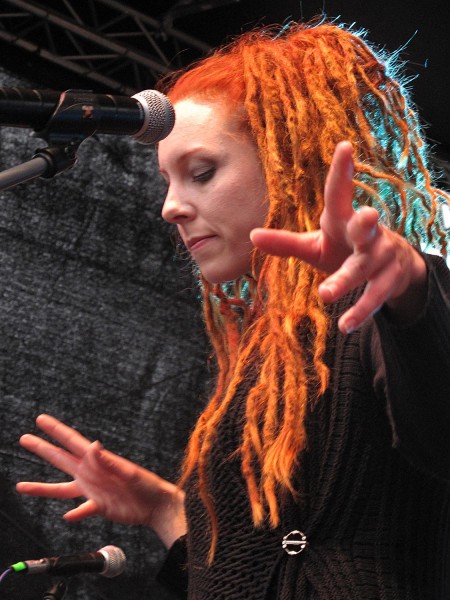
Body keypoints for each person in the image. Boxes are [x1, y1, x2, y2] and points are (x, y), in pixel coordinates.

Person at [15, 19, 450, 599]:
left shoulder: (379, 304)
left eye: (201, 173)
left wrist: (415, 290)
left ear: (289, 160)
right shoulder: (271, 349)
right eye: (167, 182)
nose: (172, 207)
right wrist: (165, 511)